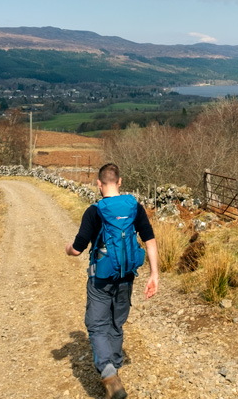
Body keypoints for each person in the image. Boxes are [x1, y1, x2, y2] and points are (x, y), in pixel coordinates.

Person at [66, 163, 159, 399]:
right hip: (127, 277)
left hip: (100, 279)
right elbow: (150, 240)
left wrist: (68, 248)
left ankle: (109, 374)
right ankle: (114, 369)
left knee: (97, 325)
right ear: (119, 182)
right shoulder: (134, 208)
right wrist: (154, 275)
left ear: (99, 184)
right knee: (116, 324)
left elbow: (78, 249)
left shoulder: (94, 211)